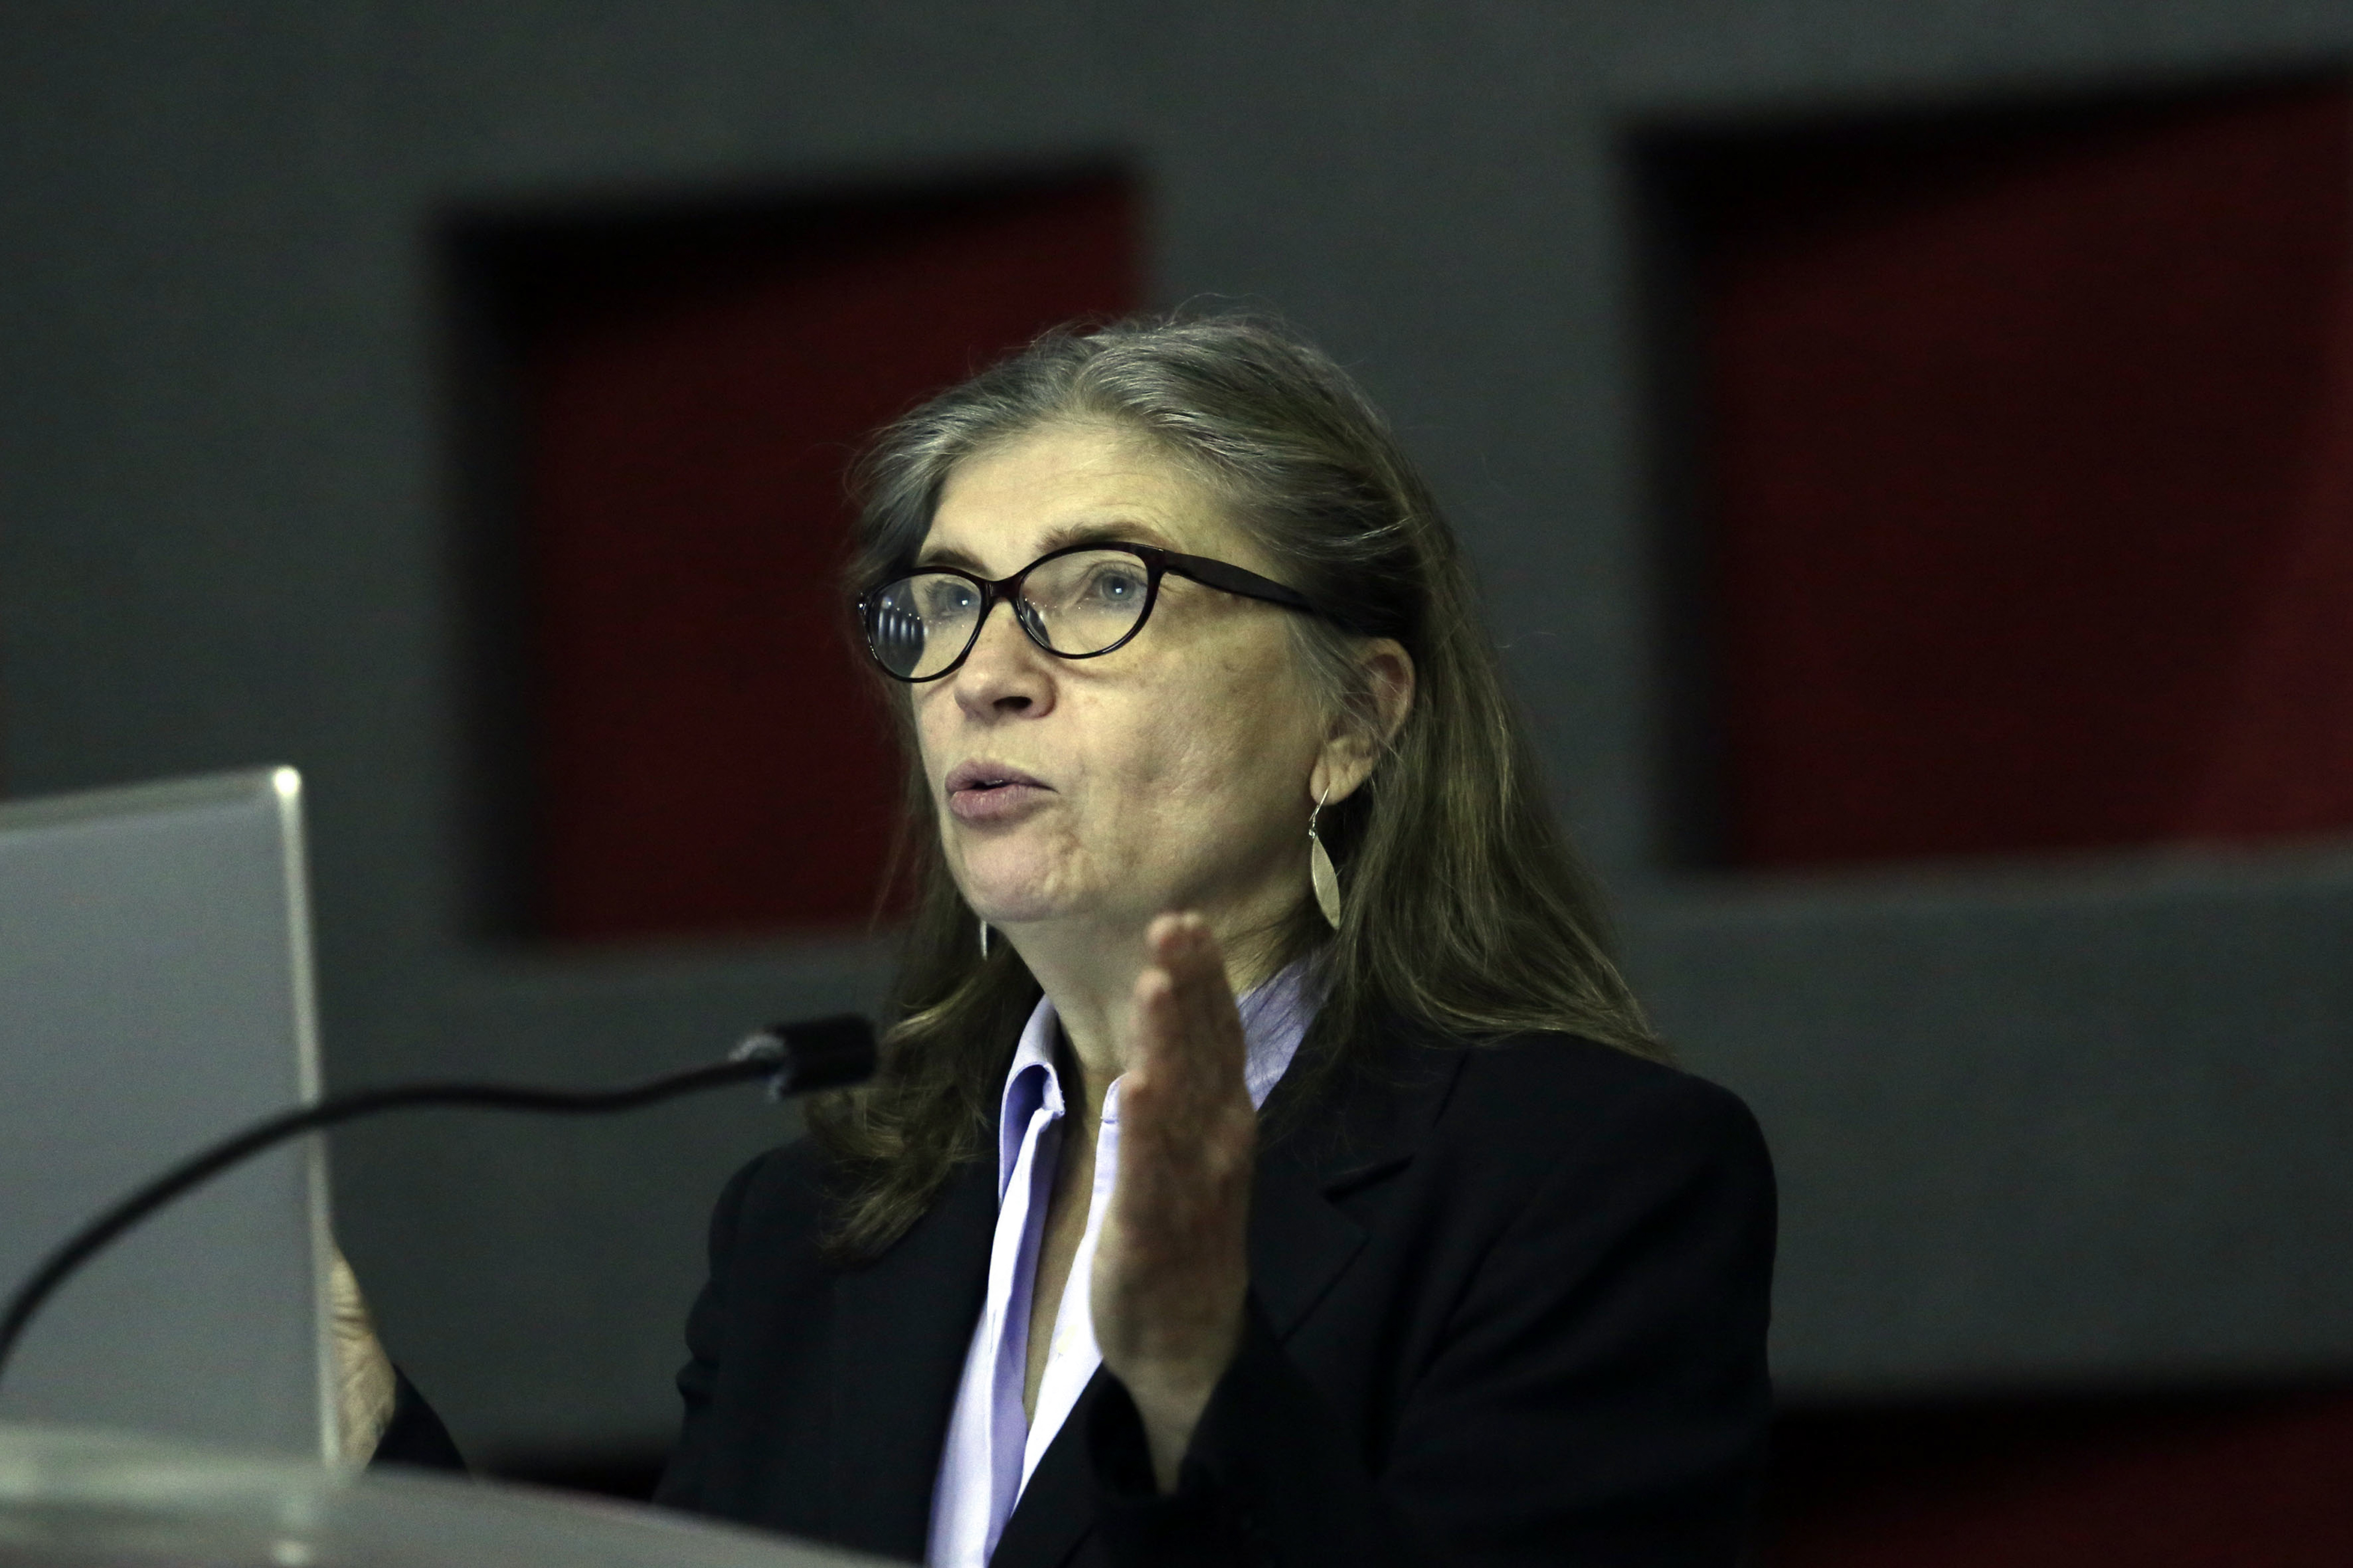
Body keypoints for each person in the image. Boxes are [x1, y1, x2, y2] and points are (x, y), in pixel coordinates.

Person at [376, 314, 1776, 1565]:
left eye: (1101, 588)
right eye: (943, 603)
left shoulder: (1581, 1181)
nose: (984, 675)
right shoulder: (813, 1231)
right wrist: (357, 1445)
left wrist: (1193, 1387)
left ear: (1351, 719)